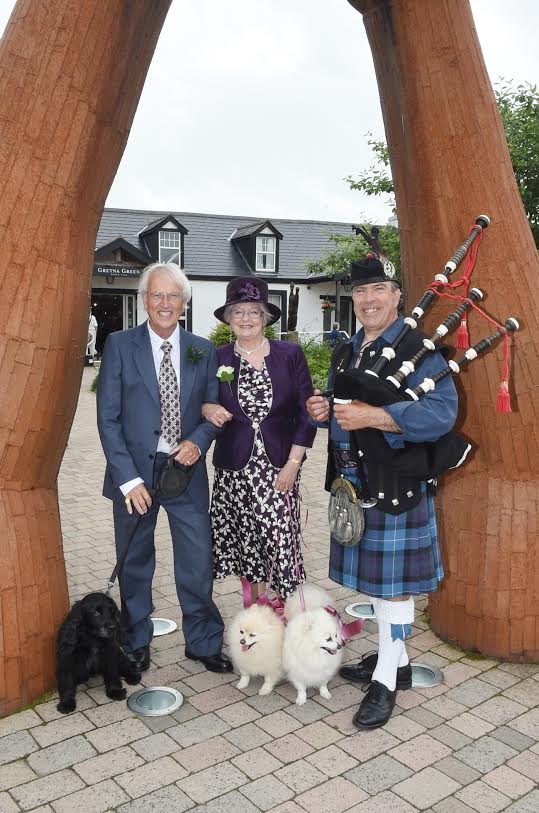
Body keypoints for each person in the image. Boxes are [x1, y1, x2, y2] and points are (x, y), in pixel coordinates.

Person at [306, 255, 457, 729]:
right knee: (377, 587)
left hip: (396, 484)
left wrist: (376, 417)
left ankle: (386, 681)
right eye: (361, 292)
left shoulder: (419, 350)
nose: (368, 300)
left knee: (392, 590)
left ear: (396, 296)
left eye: (379, 290)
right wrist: (324, 408)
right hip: (353, 483)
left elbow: (441, 416)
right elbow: (344, 403)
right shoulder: (347, 349)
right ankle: (400, 662)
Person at [96, 262, 232, 674]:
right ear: (144, 300)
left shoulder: (201, 349)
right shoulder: (120, 345)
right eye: (157, 295)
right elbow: (108, 419)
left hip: (184, 472)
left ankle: (203, 641)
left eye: (173, 296)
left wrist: (197, 441)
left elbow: (212, 412)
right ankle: (135, 639)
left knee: (196, 557)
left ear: (184, 302)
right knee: (135, 561)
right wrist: (128, 480)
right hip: (135, 474)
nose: (165, 303)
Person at [202, 277, 316, 601]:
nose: (246, 318)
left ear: (265, 317)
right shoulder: (218, 357)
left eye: (254, 311)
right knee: (247, 546)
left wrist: (294, 463)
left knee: (281, 545)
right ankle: (257, 614)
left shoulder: (290, 354)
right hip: (233, 470)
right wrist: (206, 405)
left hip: (279, 467)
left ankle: (294, 614)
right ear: (228, 319)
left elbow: (305, 411)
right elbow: (198, 399)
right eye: (238, 312)